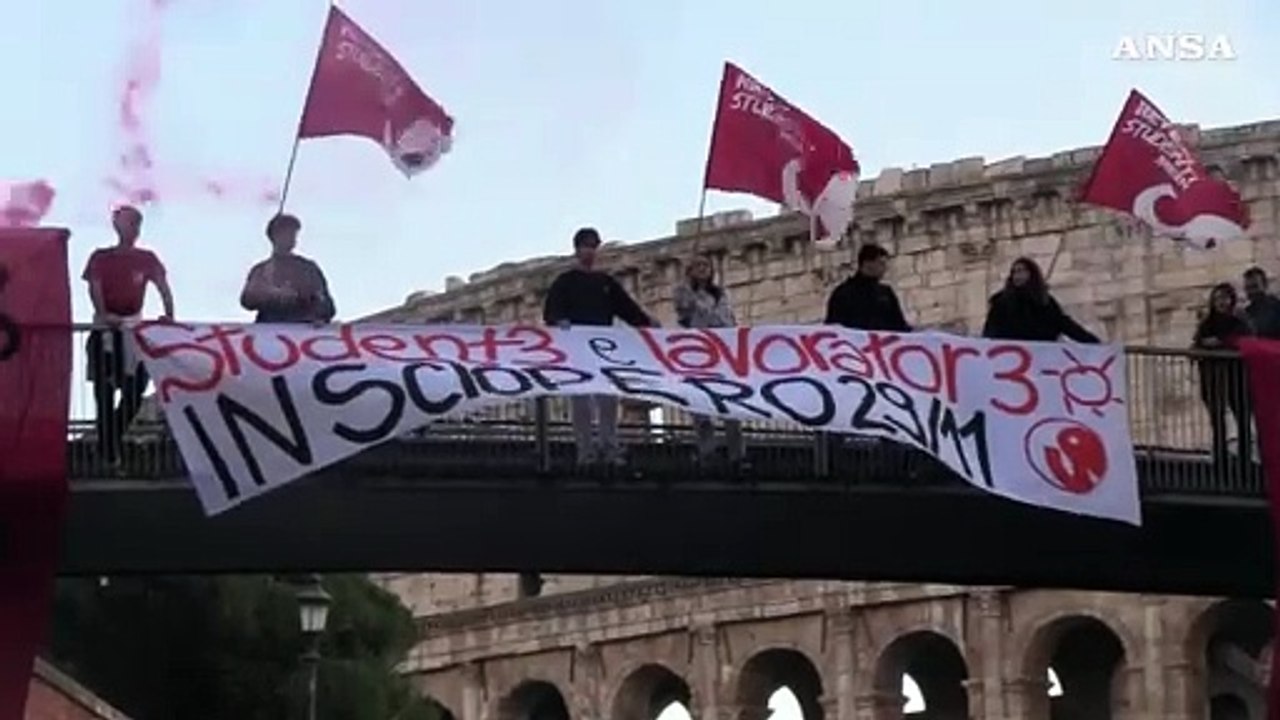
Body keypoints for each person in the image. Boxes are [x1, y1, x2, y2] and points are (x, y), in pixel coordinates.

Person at [543, 227, 655, 469]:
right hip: (577, 351)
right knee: (581, 402)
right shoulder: (565, 282)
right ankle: (585, 450)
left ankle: (608, 445)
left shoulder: (606, 282)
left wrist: (648, 324)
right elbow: (551, 312)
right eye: (586, 246)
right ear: (577, 250)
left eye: (593, 246)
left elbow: (627, 309)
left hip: (603, 351)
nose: (590, 251)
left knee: (607, 400)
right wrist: (560, 322)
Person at [82, 205, 175, 468]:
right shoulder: (101, 257)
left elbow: (163, 287)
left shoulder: (146, 258)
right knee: (104, 391)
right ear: (117, 225)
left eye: (135, 223)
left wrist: (169, 315)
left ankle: (108, 441)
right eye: (127, 223)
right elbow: (95, 287)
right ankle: (108, 451)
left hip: (132, 329)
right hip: (105, 329)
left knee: (137, 385)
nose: (132, 228)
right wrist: (103, 314)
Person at [674, 255, 746, 471]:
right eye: (698, 266)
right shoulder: (686, 294)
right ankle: (707, 451)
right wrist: (688, 288)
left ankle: (737, 454)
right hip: (699, 355)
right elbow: (683, 308)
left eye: (706, 265)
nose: (703, 269)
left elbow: (727, 321)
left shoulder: (721, 295)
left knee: (731, 406)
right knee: (701, 406)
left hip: (723, 354)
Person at [1192, 283, 1254, 473]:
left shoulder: (1239, 322)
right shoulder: (1207, 324)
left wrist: (1220, 344)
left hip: (1236, 377)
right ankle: (1220, 459)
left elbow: (1246, 342)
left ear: (1231, 300)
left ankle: (1245, 460)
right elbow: (1197, 346)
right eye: (1218, 298)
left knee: (1242, 419)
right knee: (1217, 422)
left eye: (1225, 298)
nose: (1221, 302)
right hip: (1213, 378)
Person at [240, 214, 336, 324]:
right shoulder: (261, 270)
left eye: (293, 234)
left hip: (300, 332)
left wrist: (306, 301)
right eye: (286, 234)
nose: (291, 238)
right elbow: (247, 301)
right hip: (269, 331)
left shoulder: (308, 268)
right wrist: (270, 295)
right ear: (274, 236)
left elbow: (327, 306)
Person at [981, 257, 1100, 343]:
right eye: (1014, 272)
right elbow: (990, 333)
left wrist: (1093, 343)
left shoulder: (1045, 302)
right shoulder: (1001, 303)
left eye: (1022, 270)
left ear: (1032, 274)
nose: (1017, 275)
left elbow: (1065, 325)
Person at [824, 244, 911, 331]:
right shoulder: (843, 294)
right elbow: (834, 329)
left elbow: (899, 325)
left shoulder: (886, 293)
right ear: (867, 263)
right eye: (881, 263)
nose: (885, 268)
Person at [1242, 266, 1280, 339]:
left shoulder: (1277, 309)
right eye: (1247, 288)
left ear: (1265, 285)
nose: (1251, 292)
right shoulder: (1247, 311)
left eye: (1255, 287)